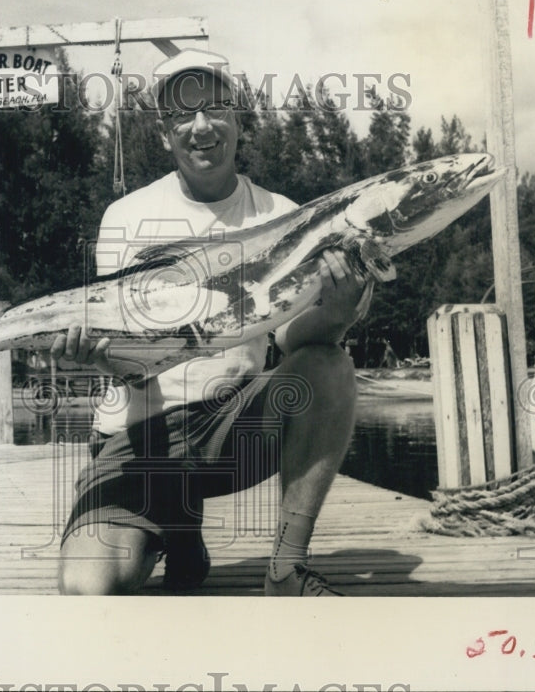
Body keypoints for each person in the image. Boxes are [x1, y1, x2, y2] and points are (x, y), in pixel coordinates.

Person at [52, 49, 372, 595]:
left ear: (238, 119)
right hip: (140, 434)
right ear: (163, 133)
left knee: (328, 365)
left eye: (216, 107)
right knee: (90, 587)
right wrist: (93, 352)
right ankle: (176, 529)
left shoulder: (284, 214)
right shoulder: (125, 217)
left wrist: (336, 314)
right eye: (182, 113)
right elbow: (133, 365)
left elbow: (294, 340)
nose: (201, 126)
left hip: (232, 426)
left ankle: (286, 569)